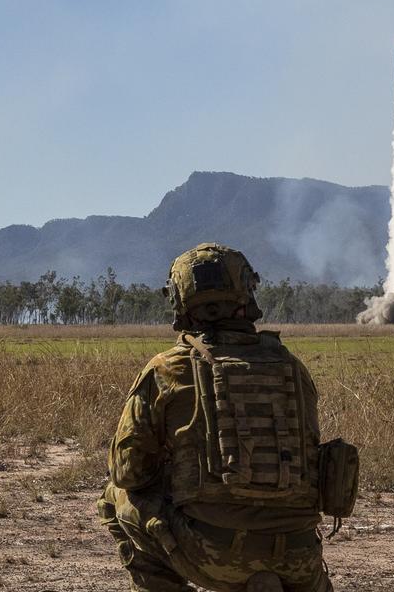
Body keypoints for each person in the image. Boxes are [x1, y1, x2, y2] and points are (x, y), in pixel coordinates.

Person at [99, 243, 335, 592]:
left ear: (180, 300)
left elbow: (128, 471)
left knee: (115, 497)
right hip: (299, 558)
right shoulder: (291, 367)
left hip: (214, 556)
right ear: (246, 294)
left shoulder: (168, 368)